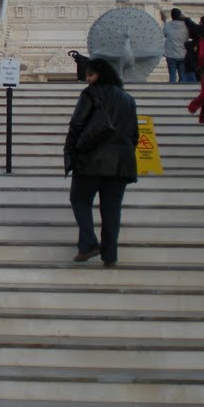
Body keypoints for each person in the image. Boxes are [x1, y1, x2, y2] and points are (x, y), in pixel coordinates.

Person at [63, 57, 140, 267]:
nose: (87, 79)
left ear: (99, 75)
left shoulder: (91, 93)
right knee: (112, 209)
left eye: (90, 75)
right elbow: (134, 134)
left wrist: (70, 152)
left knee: (80, 200)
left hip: (91, 159)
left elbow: (77, 124)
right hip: (121, 164)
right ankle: (110, 255)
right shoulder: (128, 99)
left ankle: (88, 243)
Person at [162, 8, 189, 83]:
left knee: (172, 76)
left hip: (170, 54)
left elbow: (163, 35)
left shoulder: (167, 25)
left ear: (171, 16)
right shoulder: (186, 26)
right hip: (183, 54)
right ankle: (183, 93)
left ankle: (171, 92)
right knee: (182, 76)